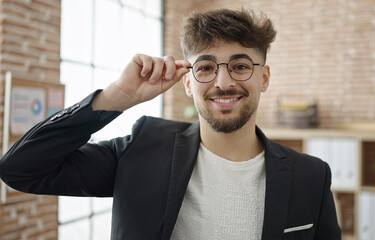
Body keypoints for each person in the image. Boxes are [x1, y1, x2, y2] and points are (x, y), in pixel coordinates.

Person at [0, 8, 341, 240]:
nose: (223, 82)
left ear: (263, 78)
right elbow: (21, 168)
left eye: (240, 66)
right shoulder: (143, 148)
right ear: (188, 82)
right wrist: (116, 97)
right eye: (206, 67)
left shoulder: (311, 176)